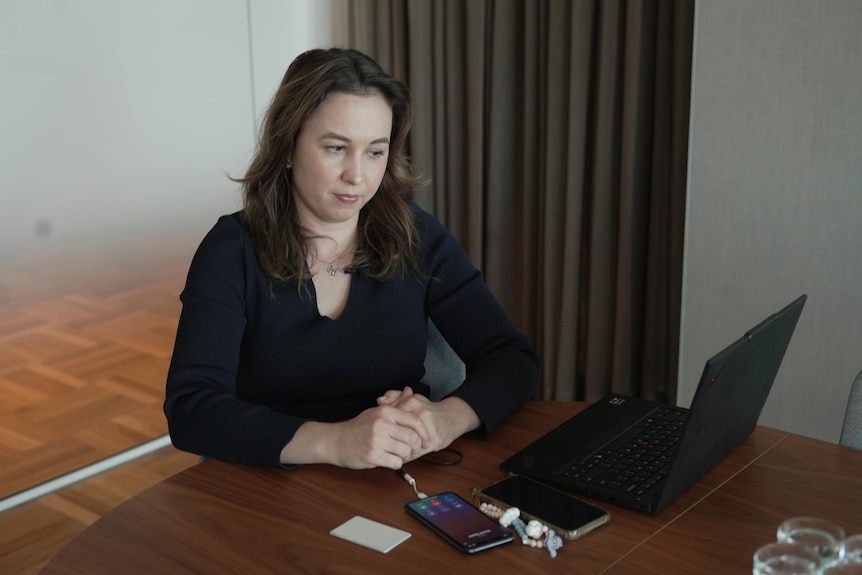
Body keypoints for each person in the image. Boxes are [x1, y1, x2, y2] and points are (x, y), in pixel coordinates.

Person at [164, 48, 539, 470]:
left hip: (391, 478)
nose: (357, 176)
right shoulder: (230, 251)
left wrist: (446, 419)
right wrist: (336, 442)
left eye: (375, 152)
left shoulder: (415, 235)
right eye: (336, 148)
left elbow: (512, 359)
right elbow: (191, 407)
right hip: (264, 488)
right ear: (287, 147)